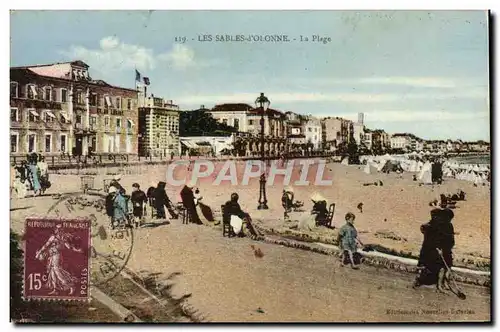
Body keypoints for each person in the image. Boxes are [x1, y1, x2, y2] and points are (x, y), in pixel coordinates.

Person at [413, 208, 455, 292]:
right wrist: (438, 248)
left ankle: (444, 284)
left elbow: (450, 239)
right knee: (439, 267)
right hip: (435, 249)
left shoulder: (447, 225)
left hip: (445, 249)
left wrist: (448, 248)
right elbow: (435, 238)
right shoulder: (436, 224)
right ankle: (438, 285)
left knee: (447, 266)